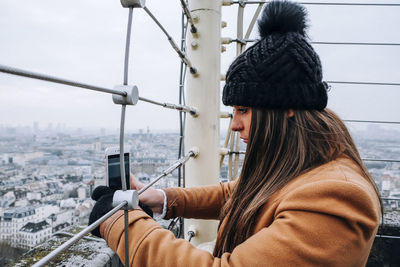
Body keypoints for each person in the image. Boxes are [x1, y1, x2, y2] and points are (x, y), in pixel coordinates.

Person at [89, 1, 381, 266]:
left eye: (243, 110)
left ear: (286, 108)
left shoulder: (338, 197)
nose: (234, 125)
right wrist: (162, 198)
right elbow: (241, 192)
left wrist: (120, 223)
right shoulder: (304, 165)